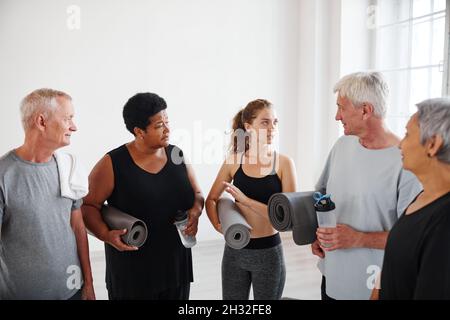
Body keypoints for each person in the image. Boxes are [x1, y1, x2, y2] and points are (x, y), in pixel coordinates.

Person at [81, 92, 204, 300]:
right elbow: (87, 206)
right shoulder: (112, 163)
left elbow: (198, 194)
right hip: (132, 272)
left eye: (167, 122)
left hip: (176, 266)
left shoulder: (177, 155)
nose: (167, 130)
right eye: (159, 126)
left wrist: (196, 211)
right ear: (139, 131)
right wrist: (104, 234)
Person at [313, 72, 423, 300]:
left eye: (342, 108)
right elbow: (322, 197)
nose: (337, 116)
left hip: (373, 287)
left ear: (365, 110)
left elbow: (412, 239)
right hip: (332, 278)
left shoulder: (406, 162)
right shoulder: (342, 146)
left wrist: (358, 238)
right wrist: (319, 234)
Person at [0, 88, 95, 300]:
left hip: (72, 292)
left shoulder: (68, 167)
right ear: (42, 122)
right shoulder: (3, 176)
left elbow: (78, 228)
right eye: (67, 118)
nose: (74, 126)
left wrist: (88, 284)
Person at [206, 99, 297, 300]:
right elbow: (211, 199)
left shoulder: (283, 164)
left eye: (275, 122)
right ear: (248, 127)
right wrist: (219, 226)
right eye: (265, 122)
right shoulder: (233, 161)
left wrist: (245, 201)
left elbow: (287, 220)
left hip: (268, 253)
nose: (272, 128)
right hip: (234, 251)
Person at [378, 98, 450, 299]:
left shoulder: (444, 222)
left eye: (408, 134)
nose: (401, 143)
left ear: (433, 144)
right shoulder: (423, 196)